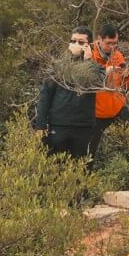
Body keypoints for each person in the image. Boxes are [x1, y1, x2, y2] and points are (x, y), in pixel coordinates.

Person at [33, 26, 104, 160]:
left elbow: (99, 83)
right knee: (55, 167)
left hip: (83, 127)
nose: (76, 44)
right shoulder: (58, 66)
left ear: (88, 45)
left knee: (81, 168)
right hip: (59, 125)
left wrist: (88, 62)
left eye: (81, 42)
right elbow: (45, 96)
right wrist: (40, 125)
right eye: (73, 41)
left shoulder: (96, 68)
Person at [87, 23, 129, 161]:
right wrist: (104, 73)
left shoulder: (118, 56)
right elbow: (86, 84)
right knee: (88, 153)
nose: (112, 47)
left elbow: (125, 87)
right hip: (96, 113)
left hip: (117, 108)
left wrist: (126, 76)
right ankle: (85, 179)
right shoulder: (89, 56)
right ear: (99, 39)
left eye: (115, 43)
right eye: (108, 43)